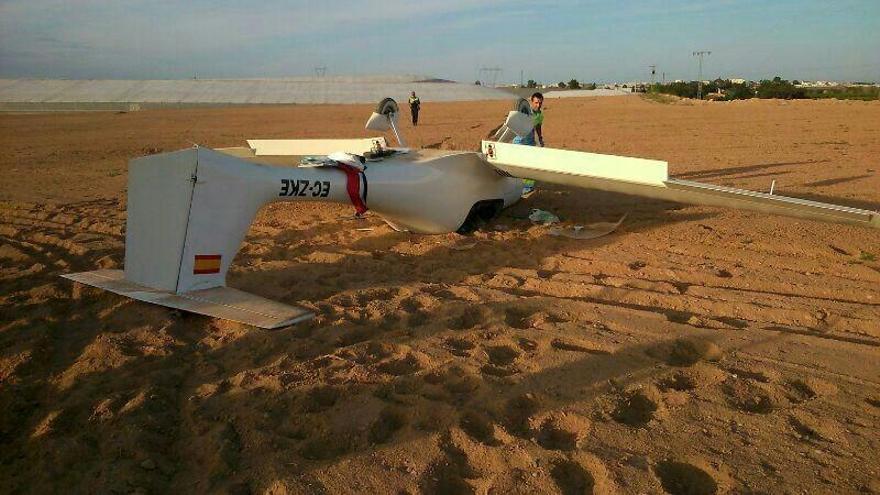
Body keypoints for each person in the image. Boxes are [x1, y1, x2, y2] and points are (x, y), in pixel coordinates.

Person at [513, 92, 544, 195]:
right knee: (517, 164)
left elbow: (538, 126)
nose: (538, 105)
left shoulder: (539, 114)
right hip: (520, 139)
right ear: (531, 102)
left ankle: (528, 187)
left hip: (530, 140)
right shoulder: (524, 111)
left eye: (540, 103)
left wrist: (540, 138)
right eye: (536, 103)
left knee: (531, 164)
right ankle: (514, 185)